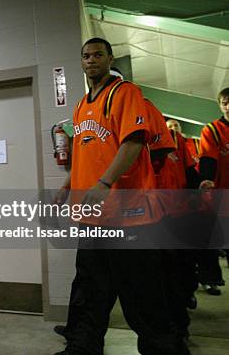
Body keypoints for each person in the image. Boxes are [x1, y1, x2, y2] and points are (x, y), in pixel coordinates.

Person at [53, 38, 188, 355]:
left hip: (130, 218)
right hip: (91, 218)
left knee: (142, 294)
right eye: (86, 55)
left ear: (110, 58)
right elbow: (86, 153)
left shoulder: (125, 93)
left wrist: (104, 183)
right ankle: (83, 347)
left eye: (98, 54)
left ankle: (164, 349)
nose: (91, 60)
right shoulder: (80, 106)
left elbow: (134, 143)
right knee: (90, 291)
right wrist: (67, 186)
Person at [198, 87, 229, 292]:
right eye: (224, 102)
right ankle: (210, 279)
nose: (228, 106)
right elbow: (208, 156)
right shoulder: (213, 129)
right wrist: (207, 179)